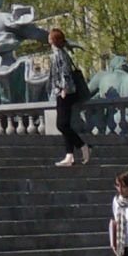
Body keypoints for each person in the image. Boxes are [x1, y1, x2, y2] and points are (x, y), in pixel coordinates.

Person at [49, 27, 91, 167]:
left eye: (50, 36)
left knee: (61, 124)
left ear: (53, 40)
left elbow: (64, 71)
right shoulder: (60, 52)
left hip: (64, 92)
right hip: (62, 90)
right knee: (65, 124)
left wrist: (64, 88)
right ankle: (69, 156)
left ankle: (83, 146)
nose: (48, 38)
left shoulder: (58, 54)